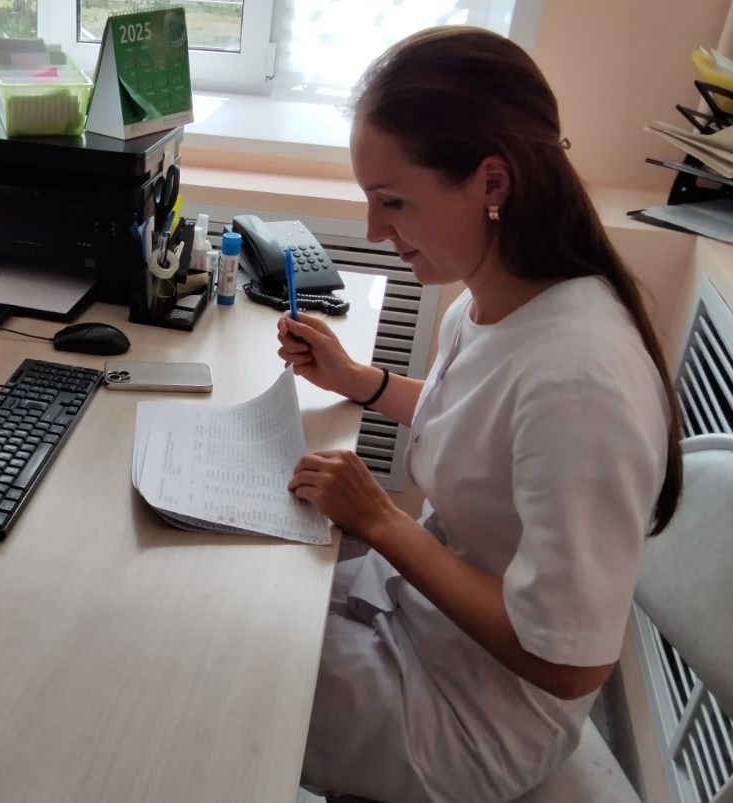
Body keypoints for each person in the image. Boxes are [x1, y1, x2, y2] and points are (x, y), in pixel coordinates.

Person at [276, 26, 682, 803]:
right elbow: (475, 419)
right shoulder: (498, 297)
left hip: (476, 714)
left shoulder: (581, 380)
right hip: (421, 618)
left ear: (492, 182)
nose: (374, 230)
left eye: (393, 201)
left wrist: (382, 521)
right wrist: (361, 381)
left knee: (214, 660)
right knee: (235, 588)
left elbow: (568, 660)